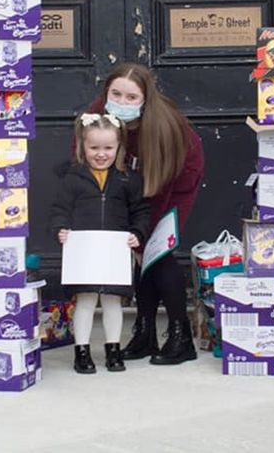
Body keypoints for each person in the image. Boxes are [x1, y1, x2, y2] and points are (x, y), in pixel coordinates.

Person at [85, 62, 205, 365]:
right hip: (133, 183)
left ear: (145, 98)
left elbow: (160, 186)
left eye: (131, 97)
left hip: (174, 181)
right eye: (117, 94)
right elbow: (86, 150)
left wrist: (143, 233)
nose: (121, 102)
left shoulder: (163, 127)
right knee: (139, 254)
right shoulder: (98, 112)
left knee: (156, 253)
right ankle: (145, 333)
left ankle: (181, 339)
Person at [49, 113, 151, 374]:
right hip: (83, 252)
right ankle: (81, 351)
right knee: (84, 301)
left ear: (119, 147)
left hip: (115, 252)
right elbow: (60, 209)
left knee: (113, 302)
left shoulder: (128, 179)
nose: (101, 154)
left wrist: (138, 233)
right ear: (83, 145)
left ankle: (113, 349)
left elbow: (141, 210)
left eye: (108, 148)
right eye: (94, 147)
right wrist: (60, 228)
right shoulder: (73, 178)